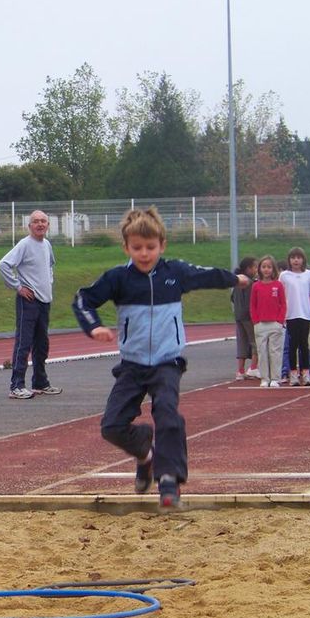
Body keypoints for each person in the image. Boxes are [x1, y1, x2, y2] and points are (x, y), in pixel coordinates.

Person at [72, 207, 249, 509]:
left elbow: (205, 275)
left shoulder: (174, 273)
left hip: (167, 362)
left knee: (168, 414)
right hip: (132, 364)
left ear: (162, 245)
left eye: (150, 247)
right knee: (111, 426)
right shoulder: (118, 278)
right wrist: (95, 326)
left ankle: (169, 480)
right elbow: (83, 299)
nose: (144, 254)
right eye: (137, 248)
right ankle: (146, 454)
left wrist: (234, 279)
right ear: (126, 247)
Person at [0, 210, 61, 399]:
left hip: (44, 301)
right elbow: (3, 265)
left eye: (43, 221)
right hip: (28, 302)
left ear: (47, 225)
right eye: (36, 221)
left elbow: (50, 266)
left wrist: (49, 284)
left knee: (42, 344)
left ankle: (40, 382)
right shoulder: (24, 245)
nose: (40, 224)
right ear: (29, 226)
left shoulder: (47, 245)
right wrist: (18, 286)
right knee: (24, 343)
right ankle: (16, 385)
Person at [279, 247, 310, 386]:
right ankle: (293, 373)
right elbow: (280, 296)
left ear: (303, 259)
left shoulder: (309, 274)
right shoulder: (284, 275)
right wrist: (281, 314)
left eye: (298, 257)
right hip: (290, 314)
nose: (296, 260)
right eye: (293, 257)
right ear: (289, 260)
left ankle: (306, 373)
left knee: (304, 344)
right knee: (292, 345)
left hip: (305, 313)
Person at [249, 255, 286, 388]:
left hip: (275, 324)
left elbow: (283, 304)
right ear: (260, 269)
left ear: (273, 269)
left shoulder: (278, 285)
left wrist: (280, 321)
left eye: (269, 267)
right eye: (264, 267)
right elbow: (253, 305)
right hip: (260, 324)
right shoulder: (256, 286)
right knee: (262, 352)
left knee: (275, 352)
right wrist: (256, 321)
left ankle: (275, 378)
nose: (266, 270)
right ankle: (265, 378)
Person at [231, 256, 259, 380]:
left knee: (242, 342)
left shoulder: (237, 282)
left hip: (238, 315)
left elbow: (232, 298)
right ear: (248, 269)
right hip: (249, 316)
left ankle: (240, 370)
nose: (256, 270)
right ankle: (253, 368)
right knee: (255, 342)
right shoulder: (251, 283)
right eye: (255, 267)